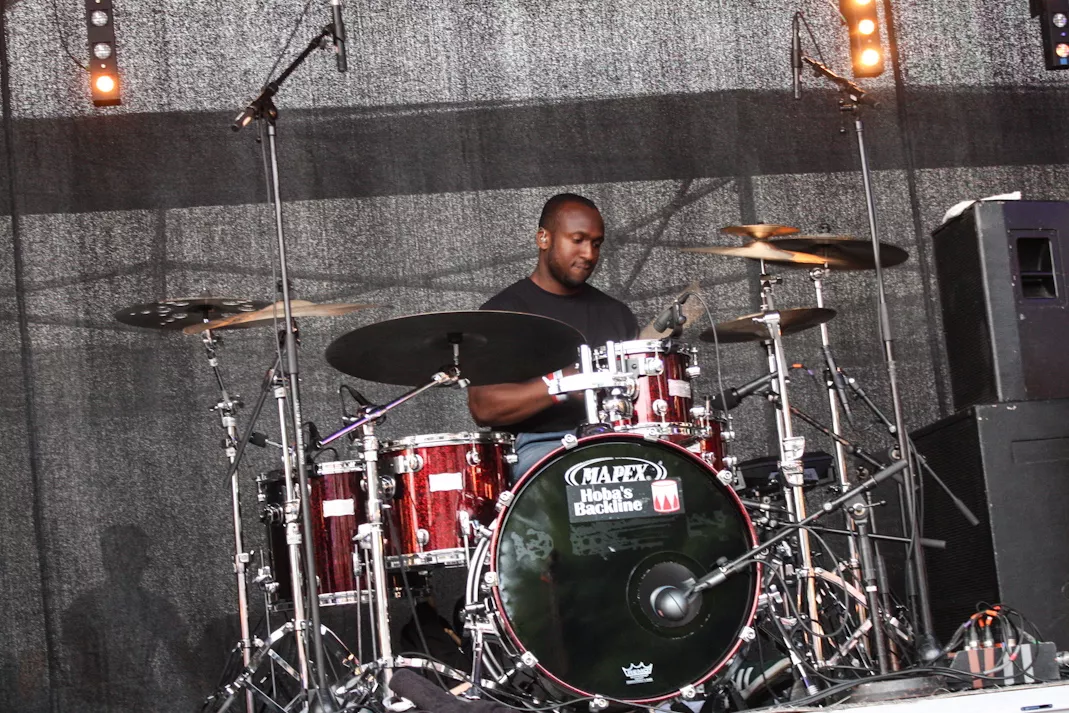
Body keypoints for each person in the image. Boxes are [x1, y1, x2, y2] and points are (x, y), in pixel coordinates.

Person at [468, 193, 637, 482]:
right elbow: (484, 407)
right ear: (543, 238)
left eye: (596, 244)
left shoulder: (617, 314)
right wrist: (563, 383)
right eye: (578, 240)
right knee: (582, 473)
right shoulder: (503, 313)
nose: (589, 254)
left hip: (614, 439)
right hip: (538, 444)